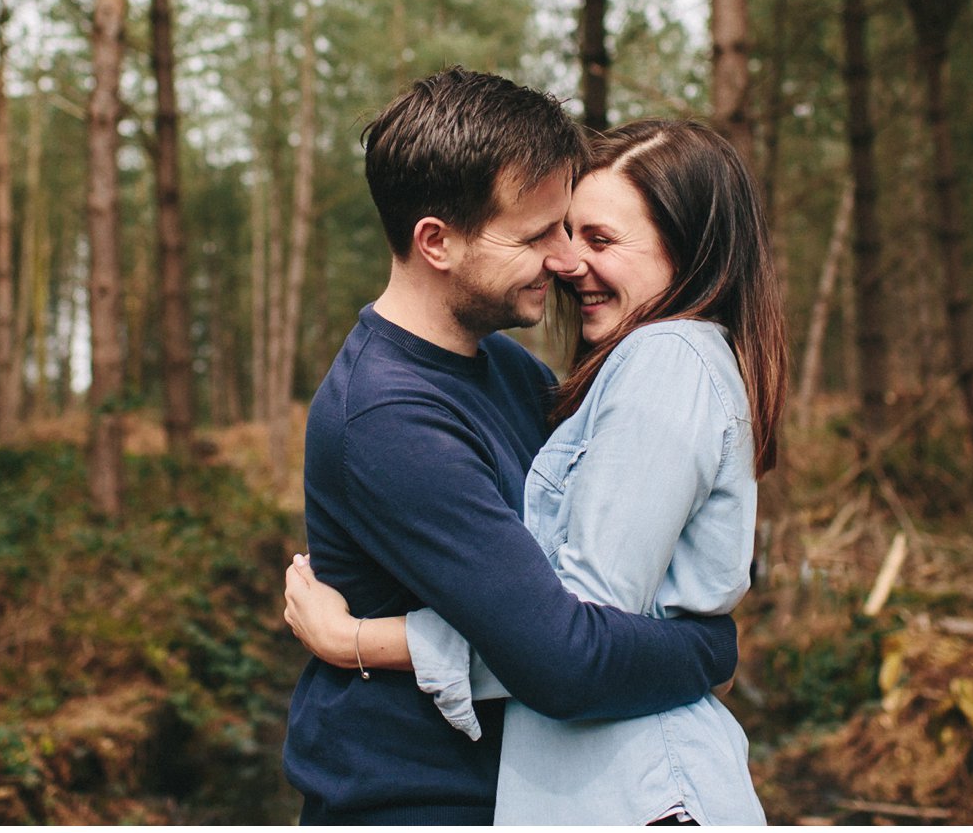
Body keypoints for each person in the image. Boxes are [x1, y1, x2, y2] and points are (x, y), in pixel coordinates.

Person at [287, 117, 786, 825]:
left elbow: (568, 639)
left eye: (591, 237)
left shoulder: (546, 368)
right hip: (413, 799)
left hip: (588, 786)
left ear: (690, 250)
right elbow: (562, 647)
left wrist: (360, 639)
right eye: (544, 234)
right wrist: (704, 646)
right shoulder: (390, 417)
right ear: (437, 241)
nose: (564, 260)